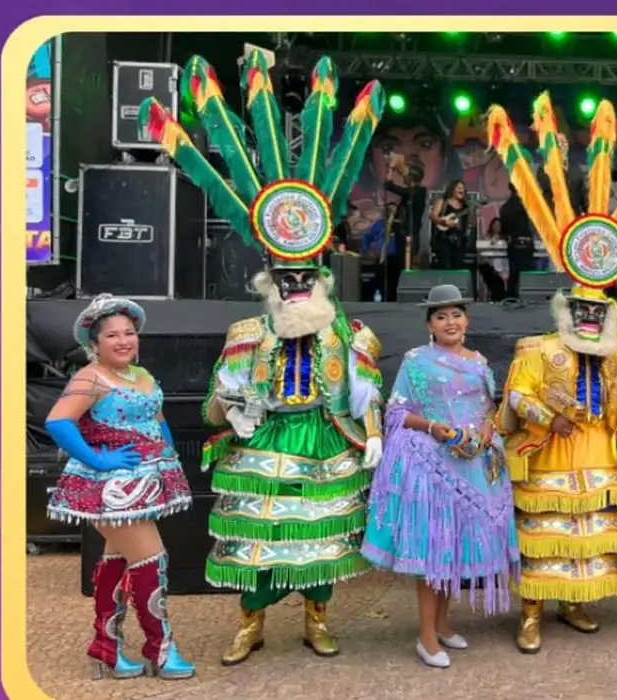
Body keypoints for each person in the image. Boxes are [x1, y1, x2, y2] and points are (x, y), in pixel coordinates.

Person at [142, 52, 387, 664]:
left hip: (326, 438)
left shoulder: (346, 332)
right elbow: (216, 400)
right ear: (269, 281)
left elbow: (364, 389)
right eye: (286, 278)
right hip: (263, 441)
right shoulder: (247, 332)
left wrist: (375, 432)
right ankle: (250, 623)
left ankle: (316, 620)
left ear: (321, 278)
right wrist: (233, 409)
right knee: (258, 540)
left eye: (305, 277)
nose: (296, 286)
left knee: (323, 540)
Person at [487, 93, 617, 653]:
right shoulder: (536, 348)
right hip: (549, 451)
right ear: (565, 310)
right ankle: (531, 612)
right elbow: (515, 396)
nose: (588, 318)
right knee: (543, 534)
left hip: (600, 452)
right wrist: (547, 417)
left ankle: (575, 602)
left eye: (596, 312)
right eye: (580, 311)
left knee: (591, 534)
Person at [361, 285, 520, 668]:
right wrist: (435, 428)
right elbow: (397, 413)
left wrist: (487, 430)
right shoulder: (416, 361)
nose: (450, 322)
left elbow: (488, 408)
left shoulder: (478, 362)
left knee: (455, 549)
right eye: (441, 316)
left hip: (473, 465)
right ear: (429, 325)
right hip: (432, 467)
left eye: (456, 315)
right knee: (434, 551)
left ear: (467, 320)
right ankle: (426, 637)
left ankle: (444, 625)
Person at [45, 295, 196, 681]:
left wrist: (168, 456)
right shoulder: (90, 377)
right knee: (151, 559)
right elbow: (58, 422)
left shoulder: (141, 374)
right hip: (112, 489)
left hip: (146, 482)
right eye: (112, 335)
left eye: (129, 333)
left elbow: (157, 418)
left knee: (118, 559)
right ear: (95, 343)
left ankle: (106, 647)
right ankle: (160, 649)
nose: (124, 340)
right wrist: (98, 460)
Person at [385, 152, 429, 267]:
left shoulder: (415, 192)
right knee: (401, 261)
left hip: (409, 233)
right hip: (406, 232)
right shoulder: (417, 192)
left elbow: (389, 185)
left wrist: (391, 169)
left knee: (404, 261)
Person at [361, 202, 404, 301]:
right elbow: (367, 236)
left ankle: (393, 300)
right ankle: (382, 298)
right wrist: (367, 249)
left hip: (397, 258)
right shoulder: (379, 224)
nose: (391, 212)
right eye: (389, 210)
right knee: (381, 280)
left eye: (393, 210)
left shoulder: (400, 225)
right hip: (382, 257)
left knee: (395, 280)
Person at [499, 182, 534, 299]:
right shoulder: (527, 205)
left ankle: (511, 299)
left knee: (513, 274)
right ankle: (527, 299)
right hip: (526, 243)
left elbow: (503, 230)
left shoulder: (505, 207)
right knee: (527, 274)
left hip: (513, 244)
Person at [431, 179, 470, 270]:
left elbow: (470, 224)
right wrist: (444, 222)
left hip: (459, 241)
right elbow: (433, 216)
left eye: (463, 189)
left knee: (457, 266)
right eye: (459, 188)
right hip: (443, 239)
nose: (461, 190)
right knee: (446, 265)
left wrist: (475, 214)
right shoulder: (442, 201)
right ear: (452, 189)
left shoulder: (466, 206)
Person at [477, 217, 508, 301]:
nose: (496, 227)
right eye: (495, 225)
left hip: (502, 266)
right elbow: (481, 253)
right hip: (489, 265)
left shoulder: (504, 239)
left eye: (498, 225)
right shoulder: (486, 237)